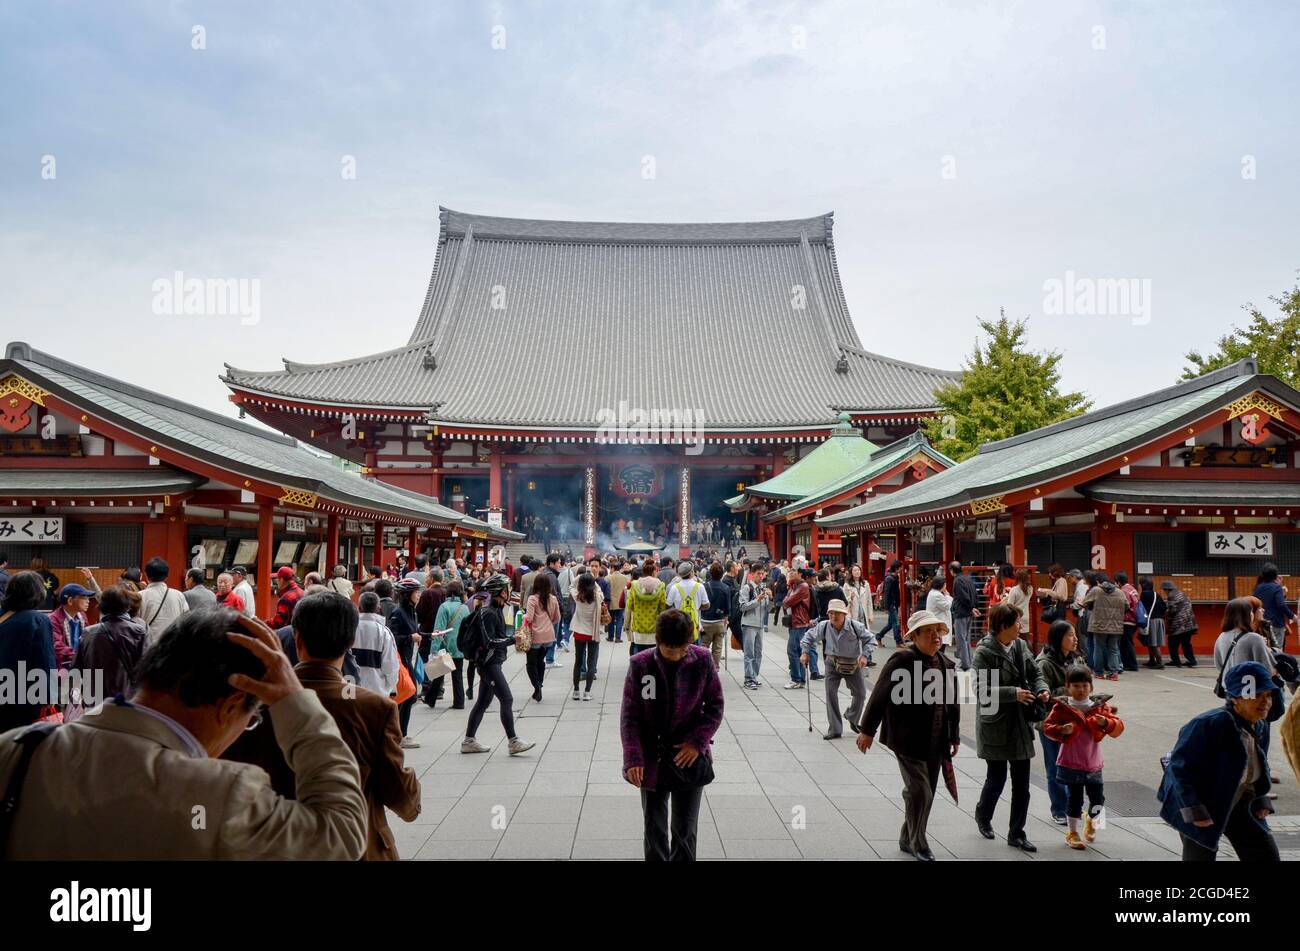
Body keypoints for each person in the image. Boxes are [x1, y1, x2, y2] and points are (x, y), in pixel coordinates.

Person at [0, 607, 367, 860]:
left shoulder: (17, 750)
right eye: (249, 719)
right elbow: (342, 833)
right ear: (229, 705)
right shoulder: (220, 795)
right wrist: (296, 705)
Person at [287, 592, 422, 859]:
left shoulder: (260, 705)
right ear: (350, 641)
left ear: (297, 638)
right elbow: (398, 790)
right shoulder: (374, 708)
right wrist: (412, 798)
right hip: (358, 843)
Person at [856, 609, 960, 861]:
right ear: (914, 636)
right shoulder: (902, 660)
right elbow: (879, 695)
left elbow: (952, 704)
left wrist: (954, 736)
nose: (935, 637)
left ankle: (906, 835)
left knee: (927, 793)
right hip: (907, 737)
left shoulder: (946, 664)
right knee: (920, 791)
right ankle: (919, 843)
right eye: (928, 632)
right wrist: (867, 730)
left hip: (937, 740)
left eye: (937, 632)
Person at [620, 608, 724, 862]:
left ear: (690, 642)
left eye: (682, 650)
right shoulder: (640, 664)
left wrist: (697, 743)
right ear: (657, 642)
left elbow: (715, 706)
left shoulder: (701, 660)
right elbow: (630, 717)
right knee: (653, 827)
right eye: (670, 651)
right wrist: (633, 758)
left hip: (688, 755)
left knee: (685, 829)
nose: (676, 656)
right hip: (651, 755)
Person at [1158, 661, 1282, 861]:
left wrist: (1261, 798)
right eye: (1256, 694)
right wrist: (1193, 809)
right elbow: (1178, 770)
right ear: (1235, 699)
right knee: (1200, 856)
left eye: (1268, 695)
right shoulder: (1207, 724)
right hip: (1201, 800)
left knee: (1265, 855)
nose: (1265, 701)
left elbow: (1257, 764)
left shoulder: (1260, 724)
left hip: (1239, 799)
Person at [972, 601, 1049, 852]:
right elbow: (982, 691)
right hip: (995, 723)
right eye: (1016, 622)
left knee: (1022, 784)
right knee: (996, 778)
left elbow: (1036, 672)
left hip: (1019, 724)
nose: (1020, 625)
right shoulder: (985, 652)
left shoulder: (1020, 645)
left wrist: (1042, 689)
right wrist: (1012, 693)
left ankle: (1017, 833)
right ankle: (983, 815)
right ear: (1003, 625)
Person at [1042, 666, 1124, 850]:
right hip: (1071, 761)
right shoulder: (1062, 707)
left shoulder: (1100, 706)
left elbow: (1118, 726)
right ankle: (1072, 833)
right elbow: (1047, 727)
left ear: (1091, 687)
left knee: (1098, 799)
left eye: (1085, 685)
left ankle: (1092, 821)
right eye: (1076, 685)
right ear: (1067, 687)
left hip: (1093, 761)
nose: (1081, 689)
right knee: (1074, 799)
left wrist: (1106, 722)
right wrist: (1061, 730)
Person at [461, 574, 536, 755]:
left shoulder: (496, 610)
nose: (510, 591)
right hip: (488, 664)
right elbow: (489, 642)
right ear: (501, 592)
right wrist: (513, 639)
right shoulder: (488, 613)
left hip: (493, 662)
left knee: (483, 702)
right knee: (507, 699)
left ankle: (468, 741)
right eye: (508, 588)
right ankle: (513, 741)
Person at [801, 599, 876, 739]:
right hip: (832, 663)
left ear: (844, 614)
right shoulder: (824, 626)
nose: (833, 617)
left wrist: (865, 656)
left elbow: (871, 640)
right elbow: (808, 637)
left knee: (860, 693)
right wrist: (805, 652)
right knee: (831, 694)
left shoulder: (855, 626)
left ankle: (852, 716)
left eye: (837, 614)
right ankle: (835, 729)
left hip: (852, 664)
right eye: (831, 613)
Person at [1035, 619, 1087, 825]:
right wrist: (1069, 691)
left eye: (1075, 635)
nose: (1074, 639)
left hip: (1075, 721)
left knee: (1076, 766)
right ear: (1058, 639)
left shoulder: (1077, 660)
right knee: (1055, 766)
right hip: (1052, 723)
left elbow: (1085, 684)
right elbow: (1042, 693)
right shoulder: (1044, 663)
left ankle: (1073, 807)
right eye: (1070, 635)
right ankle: (1058, 808)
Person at [0, 572, 58, 733]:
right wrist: (50, 695)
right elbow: (45, 659)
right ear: (37, 593)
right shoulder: (37, 620)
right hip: (23, 695)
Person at [71, 584, 147, 706]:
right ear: (127, 607)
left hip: (95, 701)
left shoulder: (88, 633)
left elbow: (76, 668)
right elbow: (146, 668)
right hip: (127, 699)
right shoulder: (138, 631)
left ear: (101, 607)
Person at [386, 578, 422, 748]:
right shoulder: (398, 612)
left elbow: (414, 631)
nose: (419, 595)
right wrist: (410, 637)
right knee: (407, 696)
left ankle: (398, 733)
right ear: (408, 595)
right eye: (416, 592)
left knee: (408, 696)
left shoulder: (412, 611)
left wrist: (427, 635)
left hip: (408, 658)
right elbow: (391, 638)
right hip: (400, 660)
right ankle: (400, 734)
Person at [352, 590, 400, 699]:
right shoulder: (384, 633)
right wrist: (390, 689)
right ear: (378, 609)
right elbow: (390, 666)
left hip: (350, 689)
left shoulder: (349, 629)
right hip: (376, 690)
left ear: (359, 608)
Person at [432, 580, 470, 709]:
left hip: (445, 645)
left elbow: (439, 629)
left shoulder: (444, 607)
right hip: (460, 646)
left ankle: (430, 698)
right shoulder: (464, 608)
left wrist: (434, 648)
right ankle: (459, 702)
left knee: (438, 672)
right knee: (457, 675)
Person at [1081, 572, 1126, 680]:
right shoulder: (1120, 592)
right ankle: (1113, 673)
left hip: (1099, 625)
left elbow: (1084, 602)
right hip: (1115, 625)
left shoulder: (1096, 590)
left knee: (1098, 648)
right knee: (1113, 649)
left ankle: (1099, 672)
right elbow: (1127, 605)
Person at [523, 571, 560, 702]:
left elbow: (529, 618)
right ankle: (540, 682)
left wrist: (523, 616)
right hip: (549, 636)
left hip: (535, 636)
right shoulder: (553, 599)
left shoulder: (532, 599)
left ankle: (537, 686)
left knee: (531, 663)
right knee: (540, 661)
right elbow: (557, 618)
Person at [569, 572, 604, 701]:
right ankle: (587, 692)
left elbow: (571, 586)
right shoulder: (598, 596)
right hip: (593, 633)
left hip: (579, 631)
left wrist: (580, 576)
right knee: (591, 663)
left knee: (578, 661)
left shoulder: (577, 596)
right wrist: (592, 579)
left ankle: (576, 691)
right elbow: (598, 588)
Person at [139, 557, 189, 645]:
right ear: (167, 576)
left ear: (146, 575)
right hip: (172, 646)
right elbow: (186, 620)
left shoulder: (140, 596)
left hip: (148, 647)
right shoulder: (179, 595)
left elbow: (135, 623)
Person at [783, 569, 816, 689]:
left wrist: (787, 599)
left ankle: (796, 679)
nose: (791, 574)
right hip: (796, 623)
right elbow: (785, 601)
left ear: (800, 574)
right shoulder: (794, 586)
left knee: (793, 651)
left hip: (800, 623)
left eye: (793, 572)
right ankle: (800, 679)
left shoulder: (802, 586)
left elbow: (788, 601)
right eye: (790, 572)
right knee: (798, 651)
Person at [625, 560, 667, 658]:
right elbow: (662, 608)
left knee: (638, 653)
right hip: (654, 627)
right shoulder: (660, 586)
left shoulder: (635, 585)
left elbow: (630, 605)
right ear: (653, 572)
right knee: (653, 655)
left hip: (638, 626)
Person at [737, 563, 769, 688]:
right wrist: (758, 600)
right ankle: (748, 678)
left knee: (758, 653)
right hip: (749, 623)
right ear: (752, 574)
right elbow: (743, 606)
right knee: (749, 653)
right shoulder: (747, 588)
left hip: (760, 624)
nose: (761, 576)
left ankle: (754, 676)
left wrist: (770, 599)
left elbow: (767, 609)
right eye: (758, 574)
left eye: (762, 574)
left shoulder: (762, 588)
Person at [48, 583, 93, 670]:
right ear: (70, 601)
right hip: (61, 668)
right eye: (84, 597)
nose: (88, 601)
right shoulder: (53, 619)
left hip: (79, 665)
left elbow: (88, 639)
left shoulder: (82, 616)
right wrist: (79, 657)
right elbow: (56, 646)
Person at [697, 562, 731, 669]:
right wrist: (726, 618)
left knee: (704, 646)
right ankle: (715, 667)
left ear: (710, 573)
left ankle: (702, 666)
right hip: (719, 621)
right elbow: (727, 607)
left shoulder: (703, 586)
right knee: (717, 647)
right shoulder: (725, 588)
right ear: (722, 574)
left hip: (706, 620)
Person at [1254, 563, 1295, 651]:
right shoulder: (1277, 588)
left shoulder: (1258, 588)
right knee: (1277, 649)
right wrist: (1292, 616)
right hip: (1276, 622)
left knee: (1264, 648)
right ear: (1275, 575)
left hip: (1262, 623)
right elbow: (1281, 605)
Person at [666, 561, 709, 642]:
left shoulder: (674, 587)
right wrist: (697, 607)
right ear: (691, 572)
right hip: (695, 624)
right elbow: (706, 605)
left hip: (679, 623)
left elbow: (668, 605)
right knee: (695, 651)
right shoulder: (700, 586)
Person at [948, 561, 977, 671]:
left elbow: (963, 597)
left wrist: (970, 607)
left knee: (961, 639)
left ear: (952, 570)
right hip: (968, 612)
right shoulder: (967, 578)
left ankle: (965, 664)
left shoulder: (958, 581)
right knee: (966, 638)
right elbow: (974, 593)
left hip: (961, 612)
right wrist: (974, 607)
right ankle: (969, 660)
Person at [1163, 580, 1199, 667]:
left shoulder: (1171, 595)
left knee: (1172, 643)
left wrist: (1166, 612)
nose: (1164, 592)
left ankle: (1176, 661)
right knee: (1186, 643)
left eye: (1164, 590)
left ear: (1167, 589)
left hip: (1180, 624)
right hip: (1190, 623)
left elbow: (1172, 610)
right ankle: (1192, 660)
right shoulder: (1181, 593)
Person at [1138, 577, 1166, 668]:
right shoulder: (1156, 594)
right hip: (1159, 620)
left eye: (1140, 584)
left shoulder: (1144, 594)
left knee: (1153, 643)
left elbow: (1142, 609)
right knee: (1151, 642)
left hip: (1151, 621)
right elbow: (1164, 607)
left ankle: (1160, 662)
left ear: (1143, 585)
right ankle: (1152, 660)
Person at [1001, 568, 1033, 642]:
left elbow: (1009, 605)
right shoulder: (1030, 588)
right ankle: (1028, 653)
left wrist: (1007, 596)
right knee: (1025, 639)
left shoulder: (1014, 590)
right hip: (1026, 616)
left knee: (1016, 640)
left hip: (1016, 617)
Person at [268, 566, 305, 631]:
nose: (276, 582)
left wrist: (262, 624)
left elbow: (278, 623)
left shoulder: (286, 599)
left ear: (281, 580)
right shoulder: (302, 592)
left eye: (277, 579)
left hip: (289, 635)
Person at [925, 576, 953, 661]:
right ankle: (938, 665)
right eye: (945, 584)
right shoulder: (937, 595)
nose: (945, 586)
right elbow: (947, 606)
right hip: (939, 624)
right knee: (939, 648)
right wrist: (948, 596)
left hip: (937, 623)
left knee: (938, 647)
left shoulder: (933, 593)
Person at [607, 561, 630, 644]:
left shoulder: (608, 578)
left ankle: (610, 636)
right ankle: (618, 637)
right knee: (620, 619)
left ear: (612, 568)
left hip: (611, 601)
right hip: (621, 601)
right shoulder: (625, 578)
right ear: (620, 568)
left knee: (611, 620)